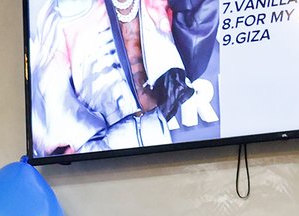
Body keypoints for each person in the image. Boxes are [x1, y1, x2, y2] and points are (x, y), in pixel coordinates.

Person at [28, 0, 216, 156]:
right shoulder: (64, 11)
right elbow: (49, 88)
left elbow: (195, 38)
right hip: (100, 145)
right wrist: (79, 143)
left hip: (155, 130)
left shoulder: (153, 4)